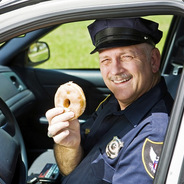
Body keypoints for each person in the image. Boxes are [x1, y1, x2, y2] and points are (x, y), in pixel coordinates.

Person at [46, 17, 173, 184]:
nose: (115, 70)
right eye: (106, 60)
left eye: (126, 57)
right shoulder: (113, 102)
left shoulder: (153, 132)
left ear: (153, 60)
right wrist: (69, 146)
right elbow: (69, 169)